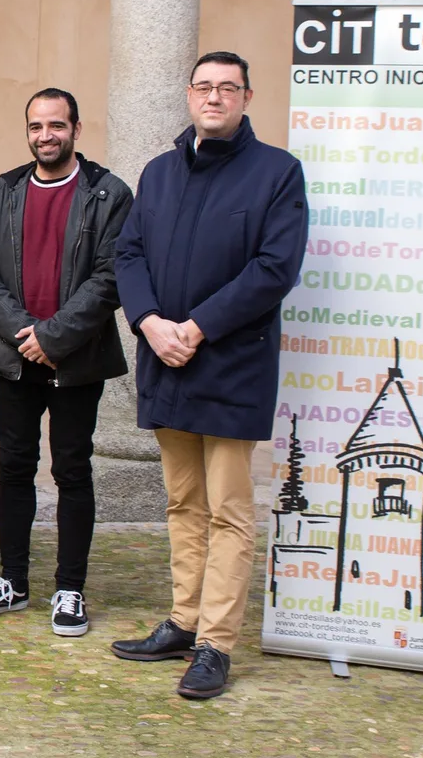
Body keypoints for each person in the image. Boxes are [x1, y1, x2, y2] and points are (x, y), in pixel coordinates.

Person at [109, 51, 307, 700]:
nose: (214, 97)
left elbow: (274, 268)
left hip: (230, 363)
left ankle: (215, 644)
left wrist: (194, 326)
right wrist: (147, 321)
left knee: (228, 510)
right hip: (165, 359)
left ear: (247, 95)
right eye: (204, 86)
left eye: (228, 87)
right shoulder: (160, 172)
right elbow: (128, 250)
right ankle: (182, 619)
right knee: (182, 502)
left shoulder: (277, 173)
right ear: (189, 95)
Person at [0, 88, 132, 637]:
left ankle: (70, 589)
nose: (45, 135)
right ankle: (11, 580)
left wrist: (53, 337)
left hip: (75, 359)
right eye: (36, 126)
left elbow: (110, 277)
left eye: (56, 125)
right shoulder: (4, 190)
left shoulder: (108, 193)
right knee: (14, 467)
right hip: (15, 358)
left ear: (76, 129)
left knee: (72, 471)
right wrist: (21, 332)